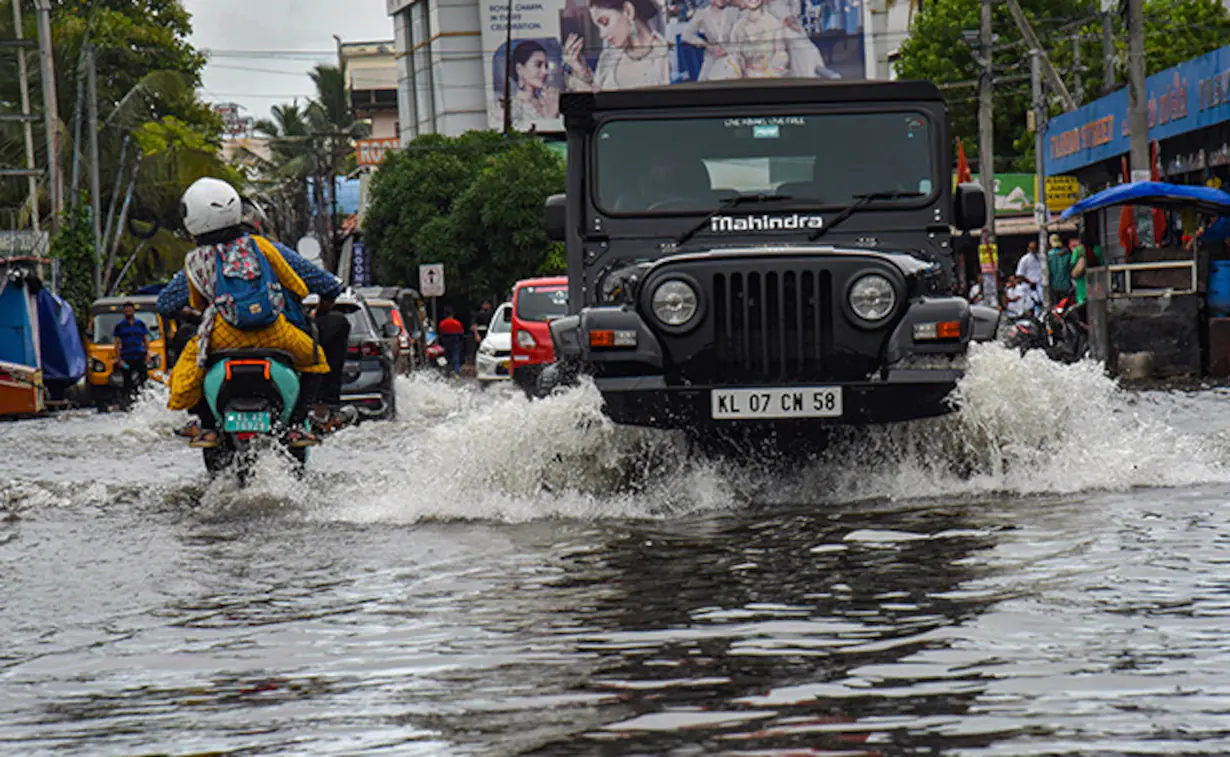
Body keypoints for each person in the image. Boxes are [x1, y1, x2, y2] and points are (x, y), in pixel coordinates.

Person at [165, 177, 333, 449]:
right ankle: (295, 426)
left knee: (187, 371)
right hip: (275, 334)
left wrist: (199, 315)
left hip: (220, 338)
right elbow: (304, 284)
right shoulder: (263, 247)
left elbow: (176, 303)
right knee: (316, 361)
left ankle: (206, 426)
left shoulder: (196, 260)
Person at [564, 0, 671, 91]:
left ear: (628, 11)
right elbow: (597, 104)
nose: (602, 35)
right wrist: (581, 71)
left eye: (605, 22)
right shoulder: (608, 57)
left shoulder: (667, 56)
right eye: (598, 27)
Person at [681, 0, 742, 81]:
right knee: (703, 87)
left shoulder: (734, 12)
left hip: (732, 57)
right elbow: (686, 35)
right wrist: (708, 46)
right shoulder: (702, 14)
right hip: (712, 58)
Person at [730, 0, 790, 78]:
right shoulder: (737, 28)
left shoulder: (775, 24)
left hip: (769, 80)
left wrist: (768, 76)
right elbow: (735, 57)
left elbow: (781, 56)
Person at [508, 41, 560, 130]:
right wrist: (550, 116)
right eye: (538, 65)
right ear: (520, 69)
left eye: (546, 66)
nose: (544, 71)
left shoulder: (547, 101)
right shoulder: (511, 107)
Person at [112, 302, 150, 408]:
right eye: (126, 311)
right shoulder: (120, 326)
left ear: (134, 311)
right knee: (127, 381)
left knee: (143, 379)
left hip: (139, 356)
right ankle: (127, 403)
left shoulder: (140, 324)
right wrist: (119, 359)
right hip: (126, 358)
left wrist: (147, 354)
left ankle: (145, 400)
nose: (128, 312)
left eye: (130, 310)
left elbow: (145, 339)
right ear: (124, 312)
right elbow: (116, 343)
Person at [437, 308, 465, 377]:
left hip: (446, 341)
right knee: (456, 356)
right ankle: (456, 372)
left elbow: (440, 331)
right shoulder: (456, 323)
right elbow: (461, 333)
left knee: (447, 356)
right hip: (455, 340)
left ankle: (448, 371)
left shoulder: (442, 323)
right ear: (452, 314)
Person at [1047, 233, 1072, 305]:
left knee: (1056, 305)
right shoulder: (1067, 254)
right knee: (1066, 304)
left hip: (1054, 286)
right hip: (1066, 285)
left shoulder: (1049, 255)